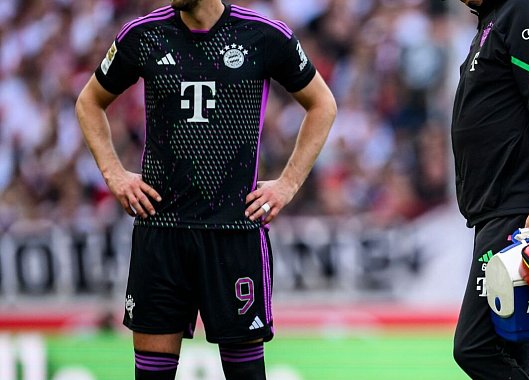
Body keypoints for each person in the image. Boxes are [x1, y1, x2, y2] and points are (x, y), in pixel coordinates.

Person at [75, 0, 336, 379]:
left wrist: (288, 184)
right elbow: (89, 102)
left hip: (233, 233)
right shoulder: (143, 35)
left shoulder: (263, 35)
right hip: (160, 231)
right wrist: (114, 174)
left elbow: (322, 104)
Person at [450, 0, 529, 378]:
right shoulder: (495, 19)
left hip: (522, 208)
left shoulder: (525, 9)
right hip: (502, 207)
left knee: (477, 346)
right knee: (511, 343)